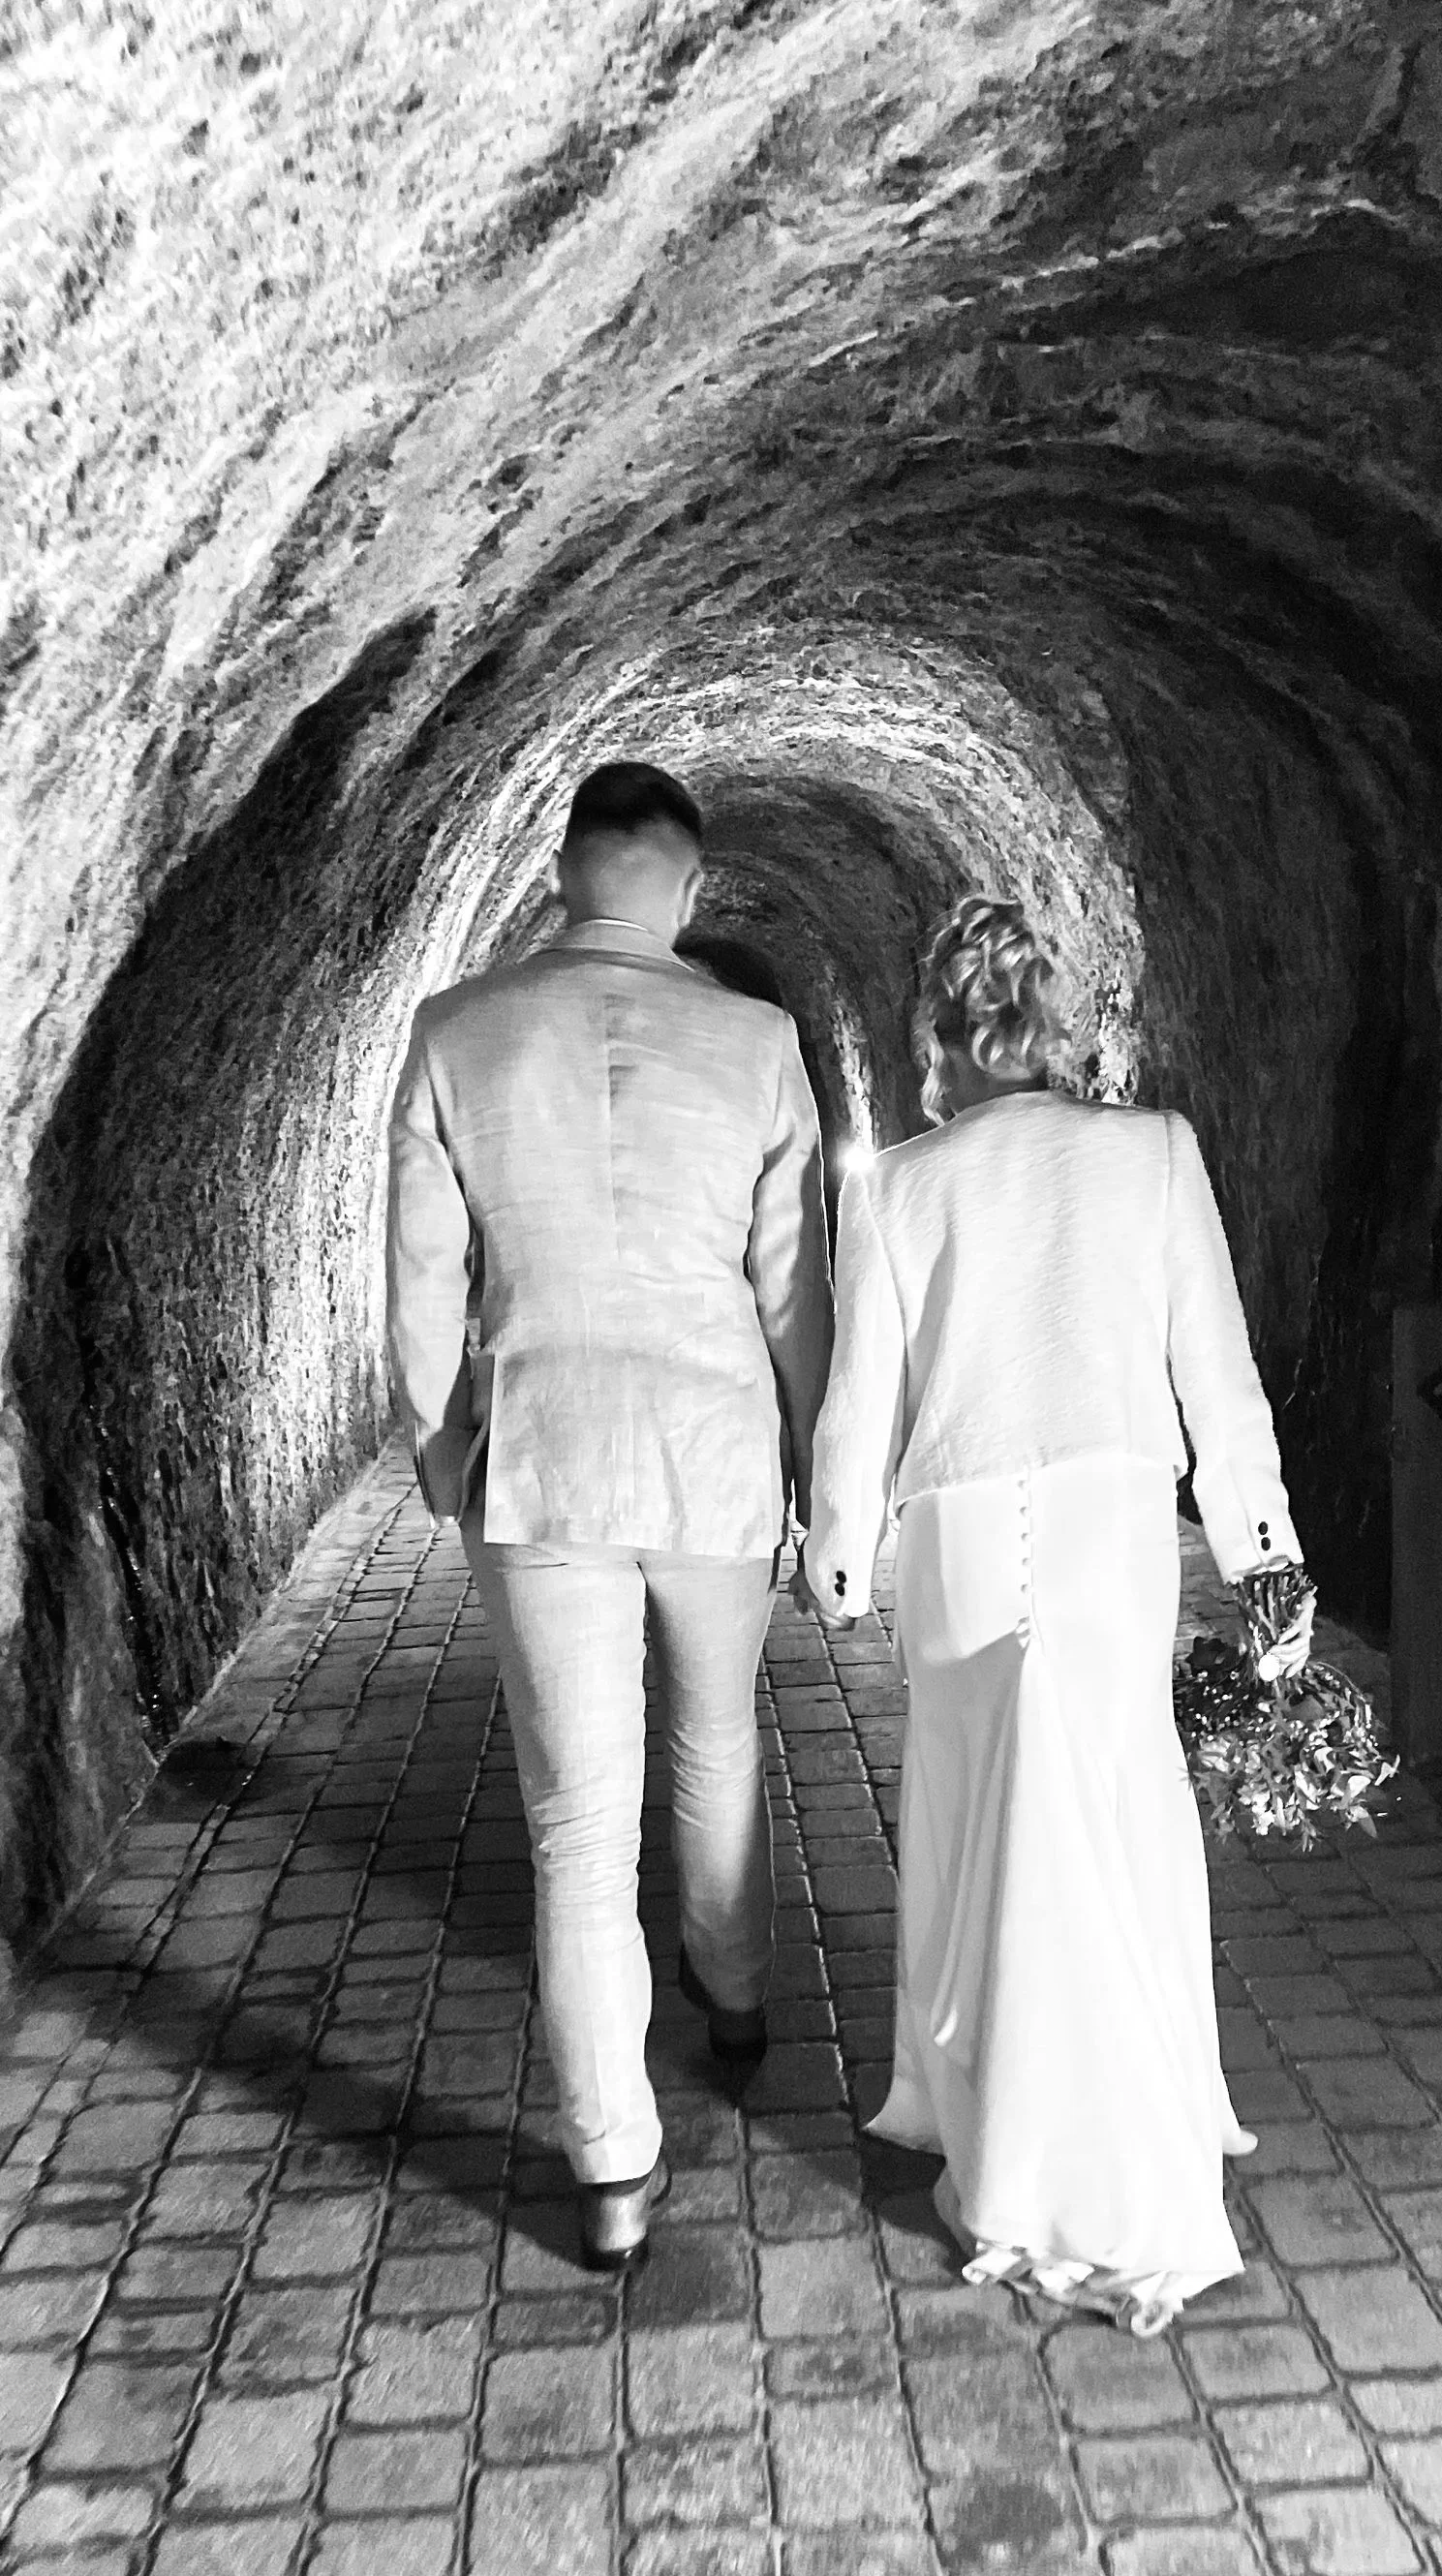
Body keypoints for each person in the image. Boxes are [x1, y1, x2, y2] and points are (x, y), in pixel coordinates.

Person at [798, 894, 1311, 2334]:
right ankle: (1130, 2130)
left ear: (936, 1043)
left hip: (956, 1538)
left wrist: (836, 1552)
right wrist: (1264, 1556)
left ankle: (1000, 2142)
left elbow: (860, 1406)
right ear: (1055, 1022)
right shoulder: (1152, 1155)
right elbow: (1223, 1378)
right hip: (1106, 1536)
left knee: (977, 1835)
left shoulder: (896, 1185)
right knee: (1117, 1823)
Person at [386, 760, 833, 2268]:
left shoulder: (459, 1034)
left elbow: (422, 1274)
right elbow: (794, 1290)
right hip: (711, 1455)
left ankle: (612, 2167)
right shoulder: (760, 1041)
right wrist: (819, 1452)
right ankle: (737, 1994)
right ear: (688, 890)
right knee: (718, 1740)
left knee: (578, 1825)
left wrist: (445, 1443)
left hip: (543, 1457)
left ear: (560, 870)